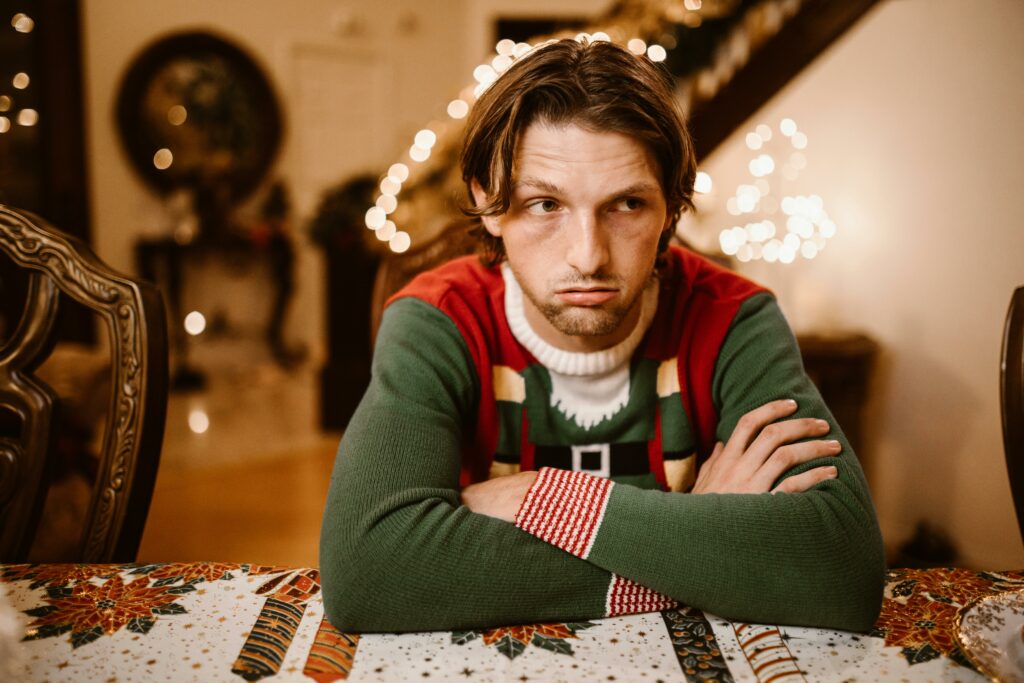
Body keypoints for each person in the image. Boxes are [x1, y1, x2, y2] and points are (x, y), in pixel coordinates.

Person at [319, 38, 885, 634]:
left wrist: (548, 501)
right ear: (488, 202)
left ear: (670, 206)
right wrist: (700, 543)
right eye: (545, 204)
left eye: (627, 204)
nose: (588, 256)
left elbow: (841, 573)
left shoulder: (734, 320)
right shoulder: (439, 320)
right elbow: (369, 574)